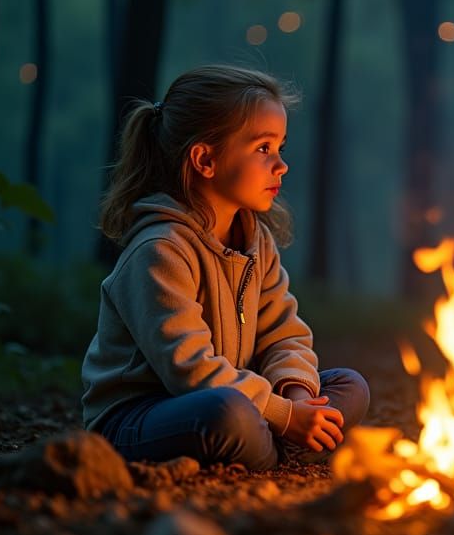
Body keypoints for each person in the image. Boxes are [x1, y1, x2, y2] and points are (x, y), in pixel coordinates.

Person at [81, 65, 369, 471]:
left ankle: (264, 444)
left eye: (281, 148)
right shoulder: (160, 250)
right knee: (227, 414)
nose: (281, 165)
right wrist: (285, 416)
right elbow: (192, 370)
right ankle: (273, 451)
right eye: (263, 148)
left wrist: (299, 398)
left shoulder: (255, 241)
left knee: (349, 386)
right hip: (140, 417)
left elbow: (282, 334)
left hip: (238, 399)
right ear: (205, 159)